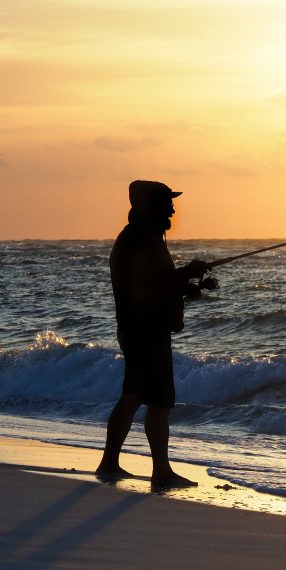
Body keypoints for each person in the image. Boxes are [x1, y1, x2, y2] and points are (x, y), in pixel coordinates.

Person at [96, 180, 208, 488]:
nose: (173, 207)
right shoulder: (141, 239)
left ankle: (110, 462)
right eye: (167, 202)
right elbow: (155, 284)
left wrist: (187, 287)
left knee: (133, 396)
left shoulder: (139, 236)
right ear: (151, 206)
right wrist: (188, 273)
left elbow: (154, 286)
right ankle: (160, 471)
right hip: (146, 333)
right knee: (157, 401)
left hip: (139, 330)